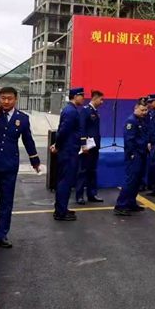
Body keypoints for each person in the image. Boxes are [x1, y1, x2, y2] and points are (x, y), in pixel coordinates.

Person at [0, 87, 40, 248]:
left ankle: (1, 234)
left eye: (9, 98)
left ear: (16, 99)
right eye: (3, 98)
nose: (6, 101)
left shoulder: (22, 118)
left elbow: (28, 140)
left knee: (6, 200)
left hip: (9, 165)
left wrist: (35, 161)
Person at [51, 87, 85, 221]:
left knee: (65, 180)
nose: (83, 98)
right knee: (65, 181)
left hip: (68, 149)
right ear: (75, 96)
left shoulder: (71, 110)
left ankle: (62, 208)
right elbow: (63, 131)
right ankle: (60, 212)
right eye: (82, 95)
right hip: (68, 151)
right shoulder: (71, 111)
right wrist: (57, 145)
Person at [114, 98, 150, 216]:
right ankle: (120, 205)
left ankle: (131, 202)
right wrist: (132, 154)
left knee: (137, 180)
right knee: (131, 180)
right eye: (142, 110)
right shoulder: (131, 121)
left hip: (142, 153)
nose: (144, 112)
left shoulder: (142, 120)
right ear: (135, 108)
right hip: (134, 155)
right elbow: (129, 141)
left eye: (146, 110)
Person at [76, 90, 104, 204]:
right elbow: (82, 128)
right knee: (83, 171)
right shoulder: (85, 111)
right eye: (100, 99)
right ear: (95, 98)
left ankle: (92, 194)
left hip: (94, 146)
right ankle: (79, 195)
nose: (102, 102)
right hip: (87, 146)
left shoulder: (95, 111)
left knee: (93, 171)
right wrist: (83, 144)